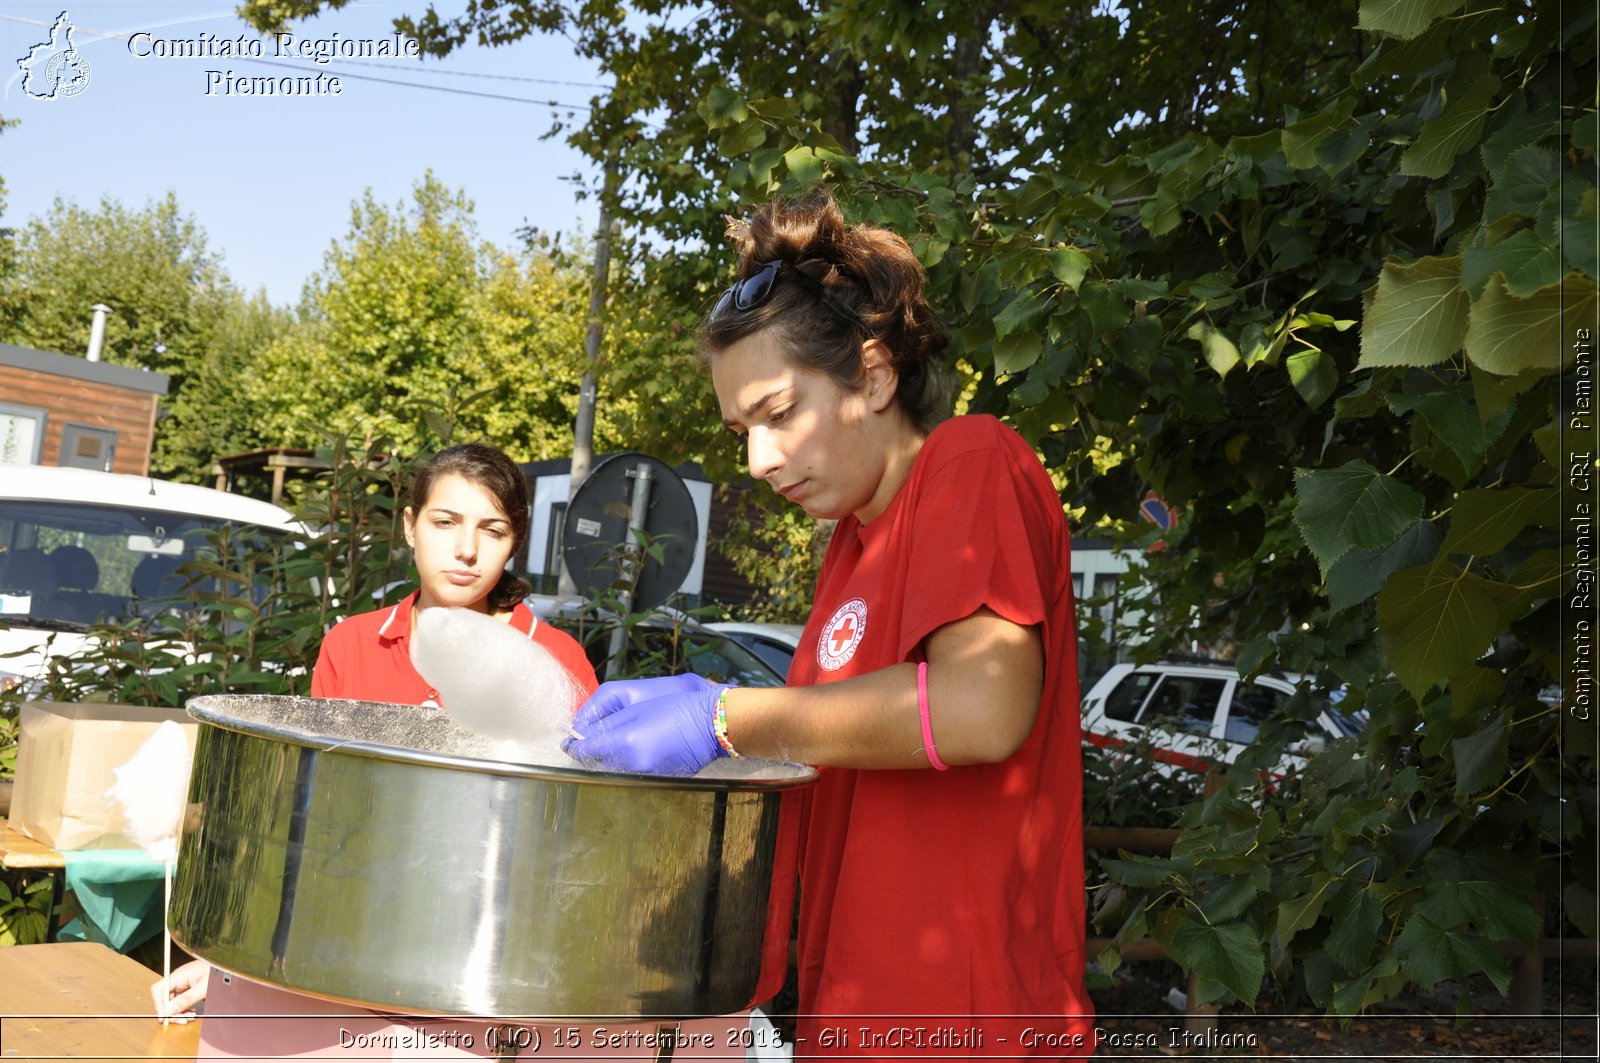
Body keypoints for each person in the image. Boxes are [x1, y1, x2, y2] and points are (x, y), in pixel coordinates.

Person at [565, 194, 1093, 1056]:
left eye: (779, 413)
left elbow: (981, 705)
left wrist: (724, 716)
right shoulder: (852, 546)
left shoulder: (972, 460)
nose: (758, 459)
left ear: (875, 378)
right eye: (741, 430)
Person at [152, 442, 600, 1021]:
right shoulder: (352, 643)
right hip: (348, 942)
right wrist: (230, 963)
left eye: (493, 531)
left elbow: (570, 843)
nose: (466, 550)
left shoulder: (555, 661)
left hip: (495, 966)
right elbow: (312, 827)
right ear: (412, 527)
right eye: (445, 522)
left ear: (515, 542)